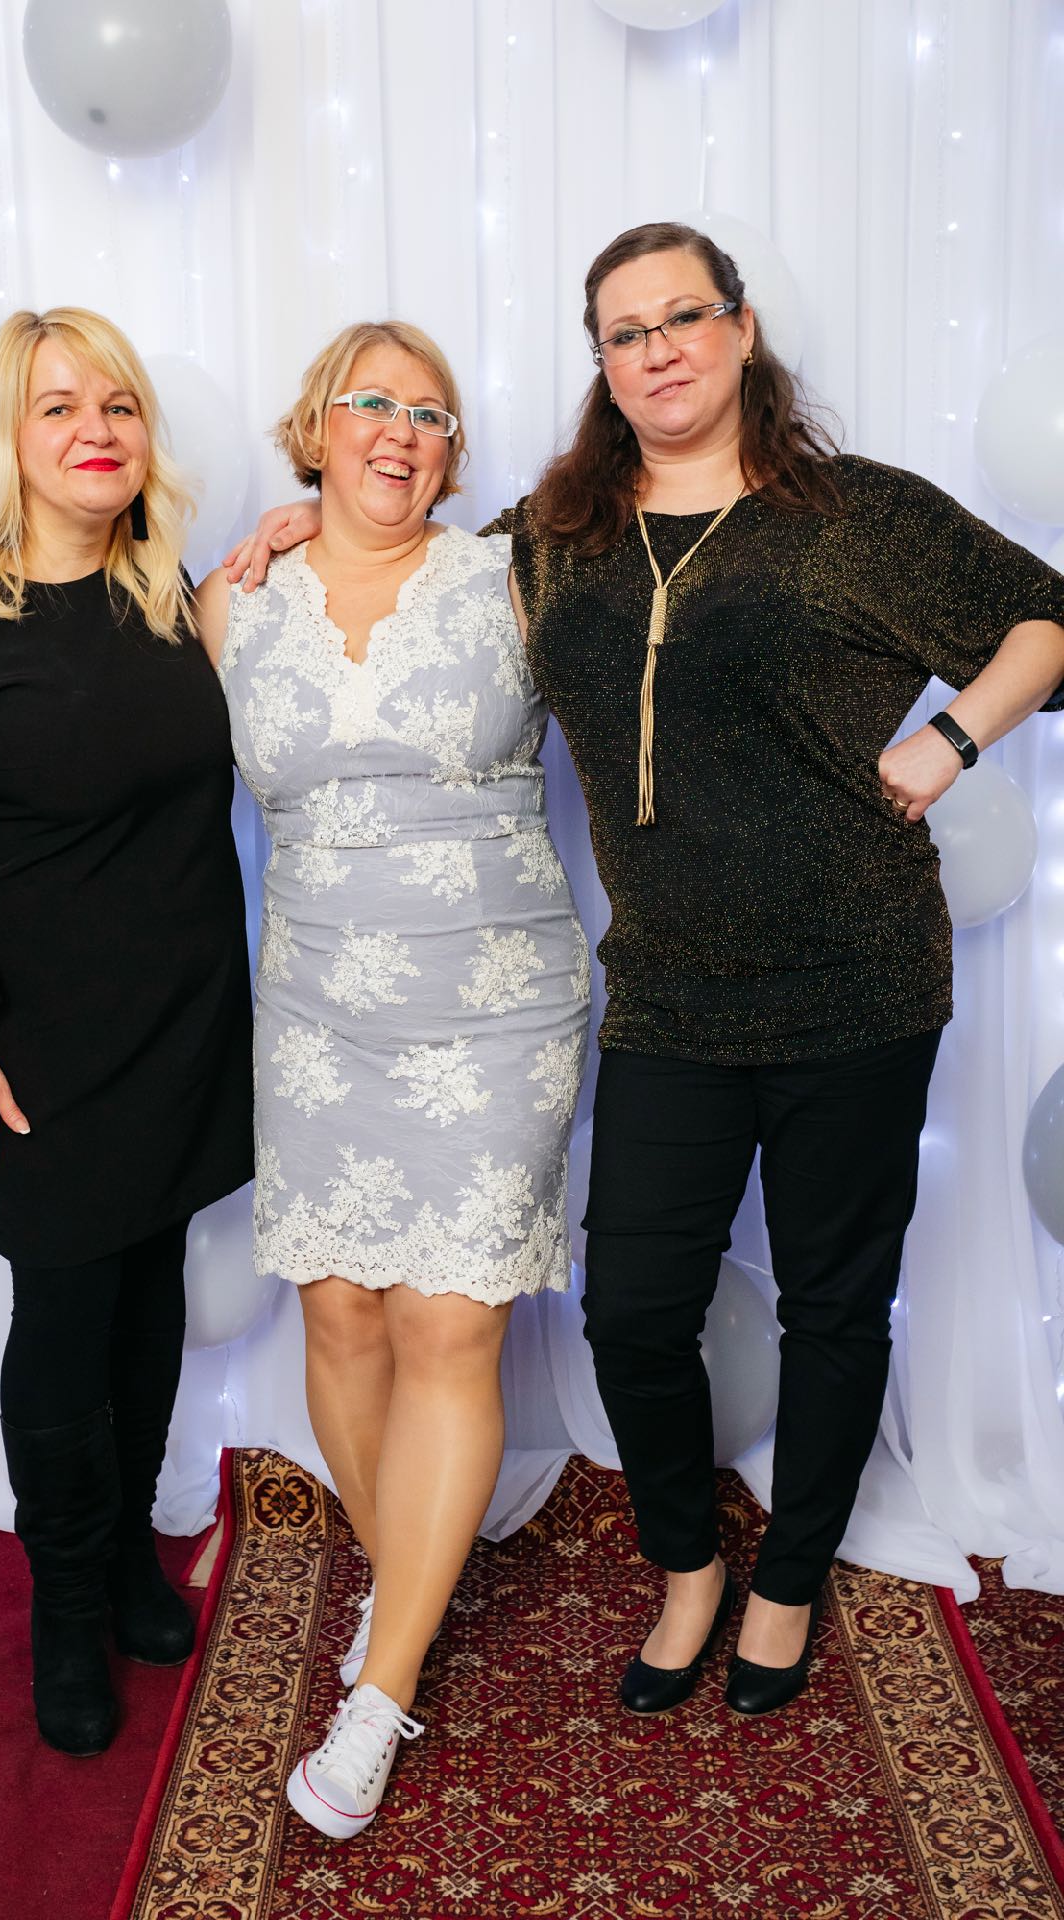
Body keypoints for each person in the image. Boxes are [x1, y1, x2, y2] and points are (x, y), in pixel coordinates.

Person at [228, 223, 1064, 1718]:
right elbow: (403, 551)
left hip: (860, 983)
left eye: (686, 316)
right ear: (602, 365)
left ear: (740, 331)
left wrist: (950, 739)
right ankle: (688, 1565)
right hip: (669, 994)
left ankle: (788, 1580)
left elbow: (1047, 619)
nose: (659, 348)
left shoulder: (858, 513)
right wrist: (305, 521)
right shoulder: (558, 538)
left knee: (834, 1306)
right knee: (632, 1312)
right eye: (626, 330)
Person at [0, 307, 254, 1756]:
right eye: (59, 406)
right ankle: (66, 1607)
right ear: (8, 437)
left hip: (181, 1019)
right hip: (35, 1047)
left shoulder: (162, 596)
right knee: (67, 1324)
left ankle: (130, 1554)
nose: (96, 430)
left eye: (118, 405)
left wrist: (276, 550)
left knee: (149, 1305)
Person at [197, 320, 588, 1836]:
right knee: (343, 1313)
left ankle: (380, 1693)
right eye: (371, 402)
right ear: (316, 427)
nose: (402, 431)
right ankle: (403, 1576)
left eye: (431, 415)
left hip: (494, 1005)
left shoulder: (515, 577)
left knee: (446, 1322)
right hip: (314, 1008)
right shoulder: (235, 599)